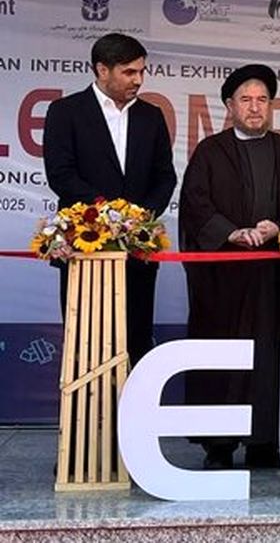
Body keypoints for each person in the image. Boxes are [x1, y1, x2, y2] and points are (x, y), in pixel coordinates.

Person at [179, 64, 280, 470]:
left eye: (262, 100)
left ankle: (267, 443)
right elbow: (195, 206)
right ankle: (218, 445)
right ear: (230, 106)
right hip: (226, 280)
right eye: (246, 100)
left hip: (278, 282)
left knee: (274, 358)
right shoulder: (210, 151)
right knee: (222, 358)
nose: (255, 108)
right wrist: (232, 232)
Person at [43, 32, 176, 365]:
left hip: (137, 249)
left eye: (141, 71)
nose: (138, 80)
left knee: (136, 340)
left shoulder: (152, 115)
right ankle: (86, 402)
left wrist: (137, 218)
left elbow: (165, 176)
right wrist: (110, 213)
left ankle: (131, 401)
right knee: (85, 342)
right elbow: (61, 174)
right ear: (102, 70)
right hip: (86, 246)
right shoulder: (65, 111)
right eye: (129, 72)